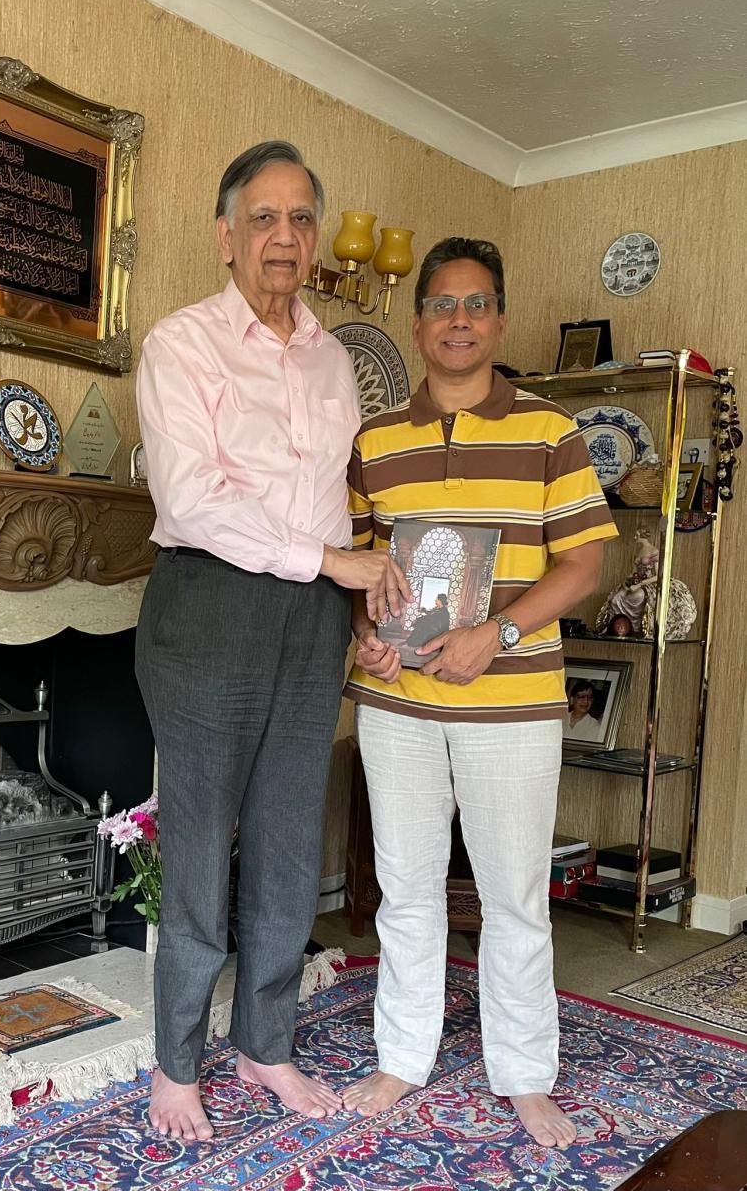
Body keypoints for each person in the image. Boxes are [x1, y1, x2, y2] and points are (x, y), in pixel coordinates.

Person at [135, 140, 409, 1143]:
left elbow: (336, 506)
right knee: (200, 847)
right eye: (262, 218)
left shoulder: (335, 359)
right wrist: (333, 564)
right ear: (226, 235)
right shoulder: (181, 344)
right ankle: (176, 1063)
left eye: (299, 219)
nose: (282, 236)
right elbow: (191, 500)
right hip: (208, 609)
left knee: (291, 843)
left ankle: (265, 1045)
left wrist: (360, 606)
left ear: (315, 238)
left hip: (310, 617)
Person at [343, 237, 617, 1148]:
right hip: (398, 707)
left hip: (512, 704)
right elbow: (360, 569)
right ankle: (401, 1056)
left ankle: (526, 1074)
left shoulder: (549, 432)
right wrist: (366, 636)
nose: (458, 321)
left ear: (498, 321)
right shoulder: (375, 441)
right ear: (418, 322)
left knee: (513, 896)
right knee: (407, 890)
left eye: (476, 305)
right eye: (442, 305)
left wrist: (494, 634)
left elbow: (585, 563)